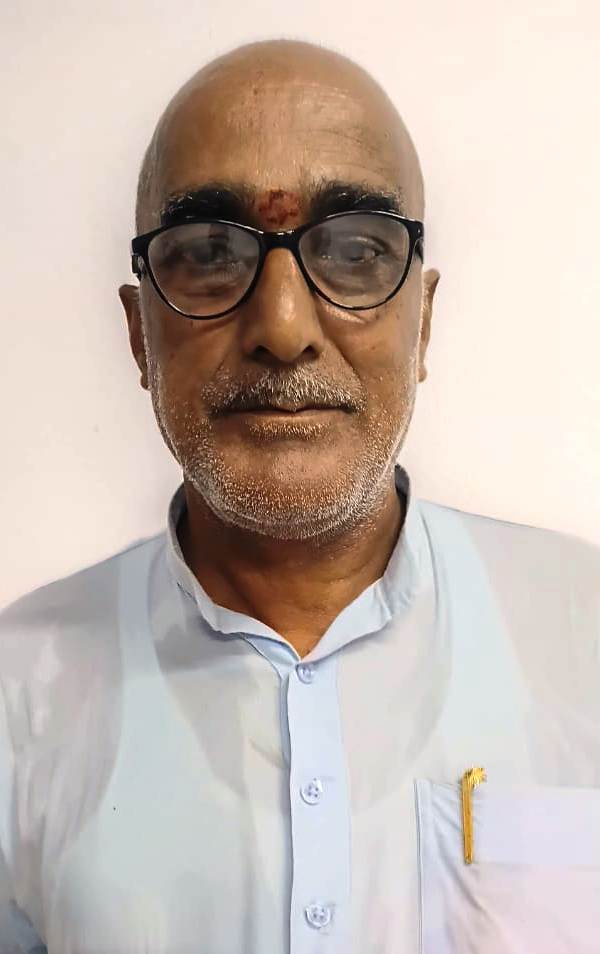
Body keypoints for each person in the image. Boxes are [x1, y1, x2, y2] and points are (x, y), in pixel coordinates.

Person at [1, 37, 599, 954]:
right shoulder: (18, 698)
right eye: (209, 252)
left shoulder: (584, 638)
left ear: (424, 322)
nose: (283, 328)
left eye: (356, 251)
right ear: (138, 334)